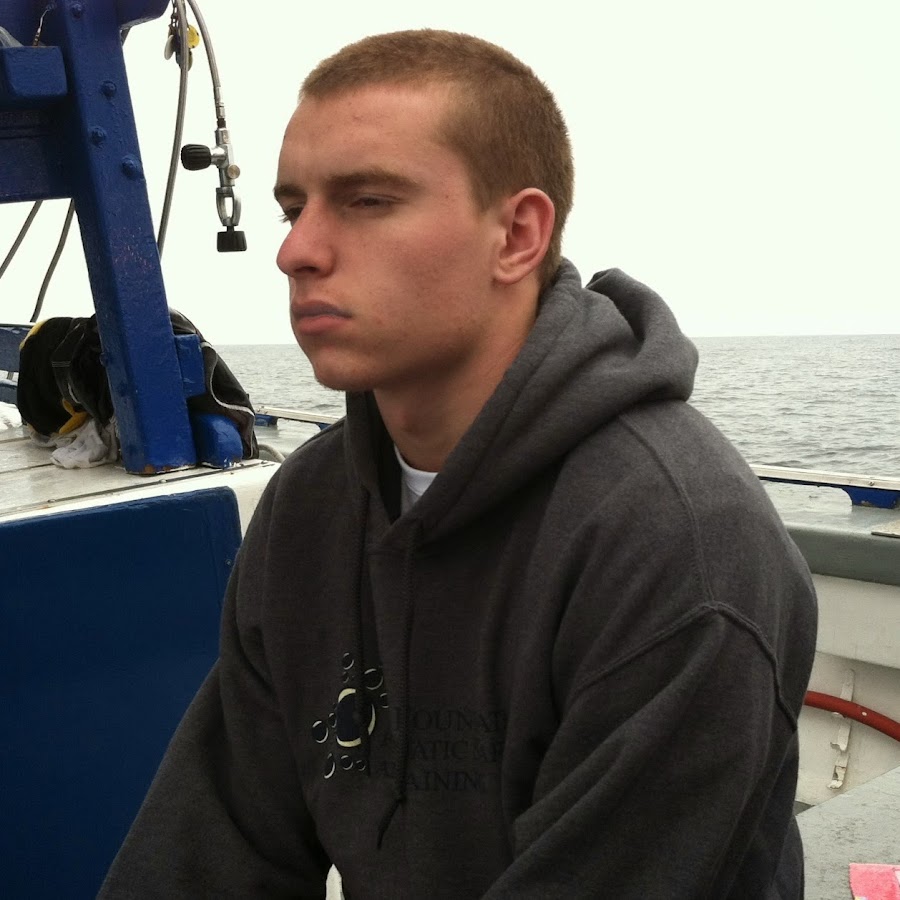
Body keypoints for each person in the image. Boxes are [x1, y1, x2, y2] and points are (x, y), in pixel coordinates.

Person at [100, 29, 817, 899]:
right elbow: (211, 851)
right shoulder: (310, 508)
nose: (296, 251)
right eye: (293, 209)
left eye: (367, 200)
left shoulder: (678, 546)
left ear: (517, 234)